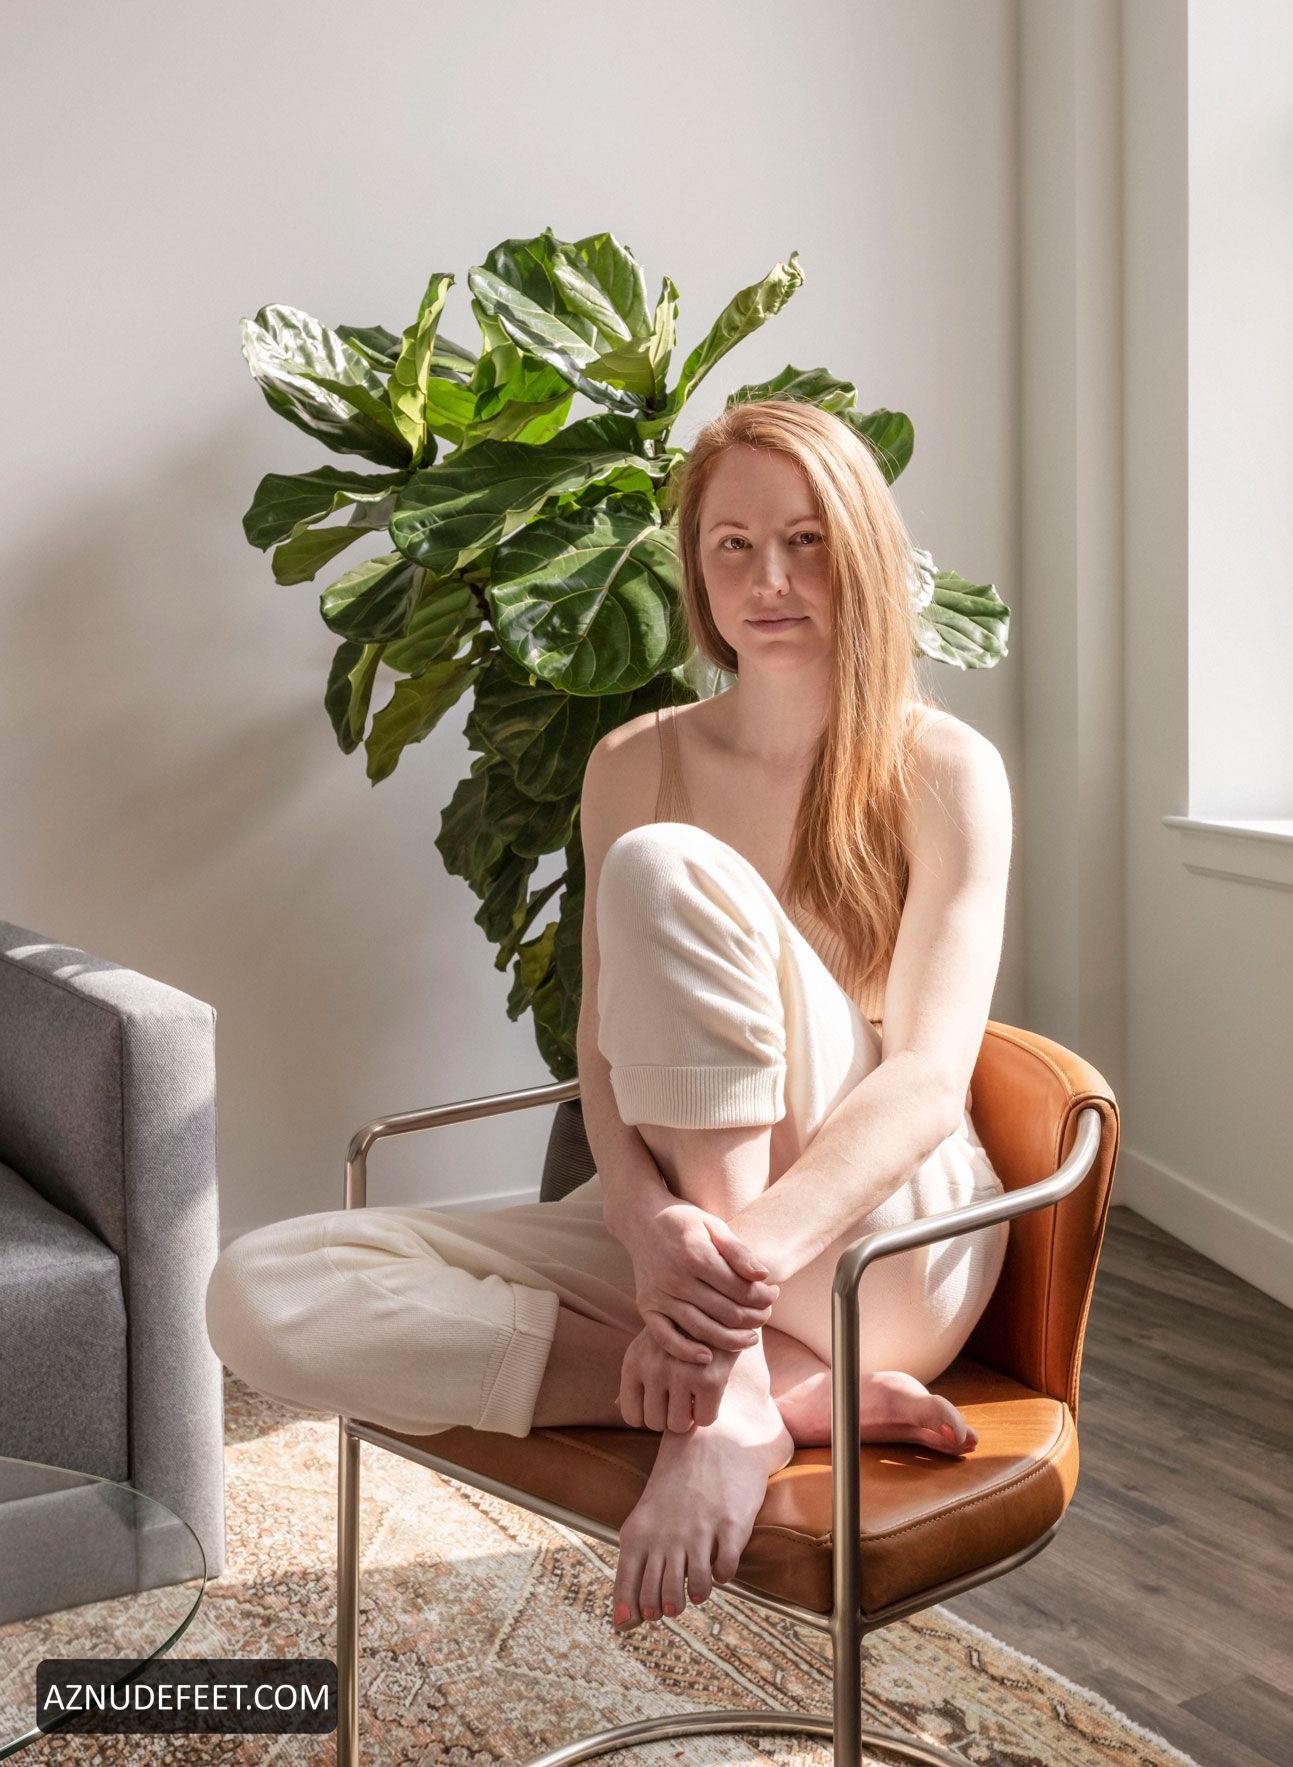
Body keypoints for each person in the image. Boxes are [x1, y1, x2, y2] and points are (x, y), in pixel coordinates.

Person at [205, 397, 1014, 1640]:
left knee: (662, 866)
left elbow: (924, 1079)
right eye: (732, 545)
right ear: (694, 566)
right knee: (259, 1291)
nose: (768, 579)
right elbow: (598, 1046)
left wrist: (722, 1286)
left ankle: (721, 1389)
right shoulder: (634, 758)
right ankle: (759, 1393)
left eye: (803, 540)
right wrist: (641, 1223)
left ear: (859, 548)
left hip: (882, 1248)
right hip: (692, 1251)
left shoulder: (944, 765)